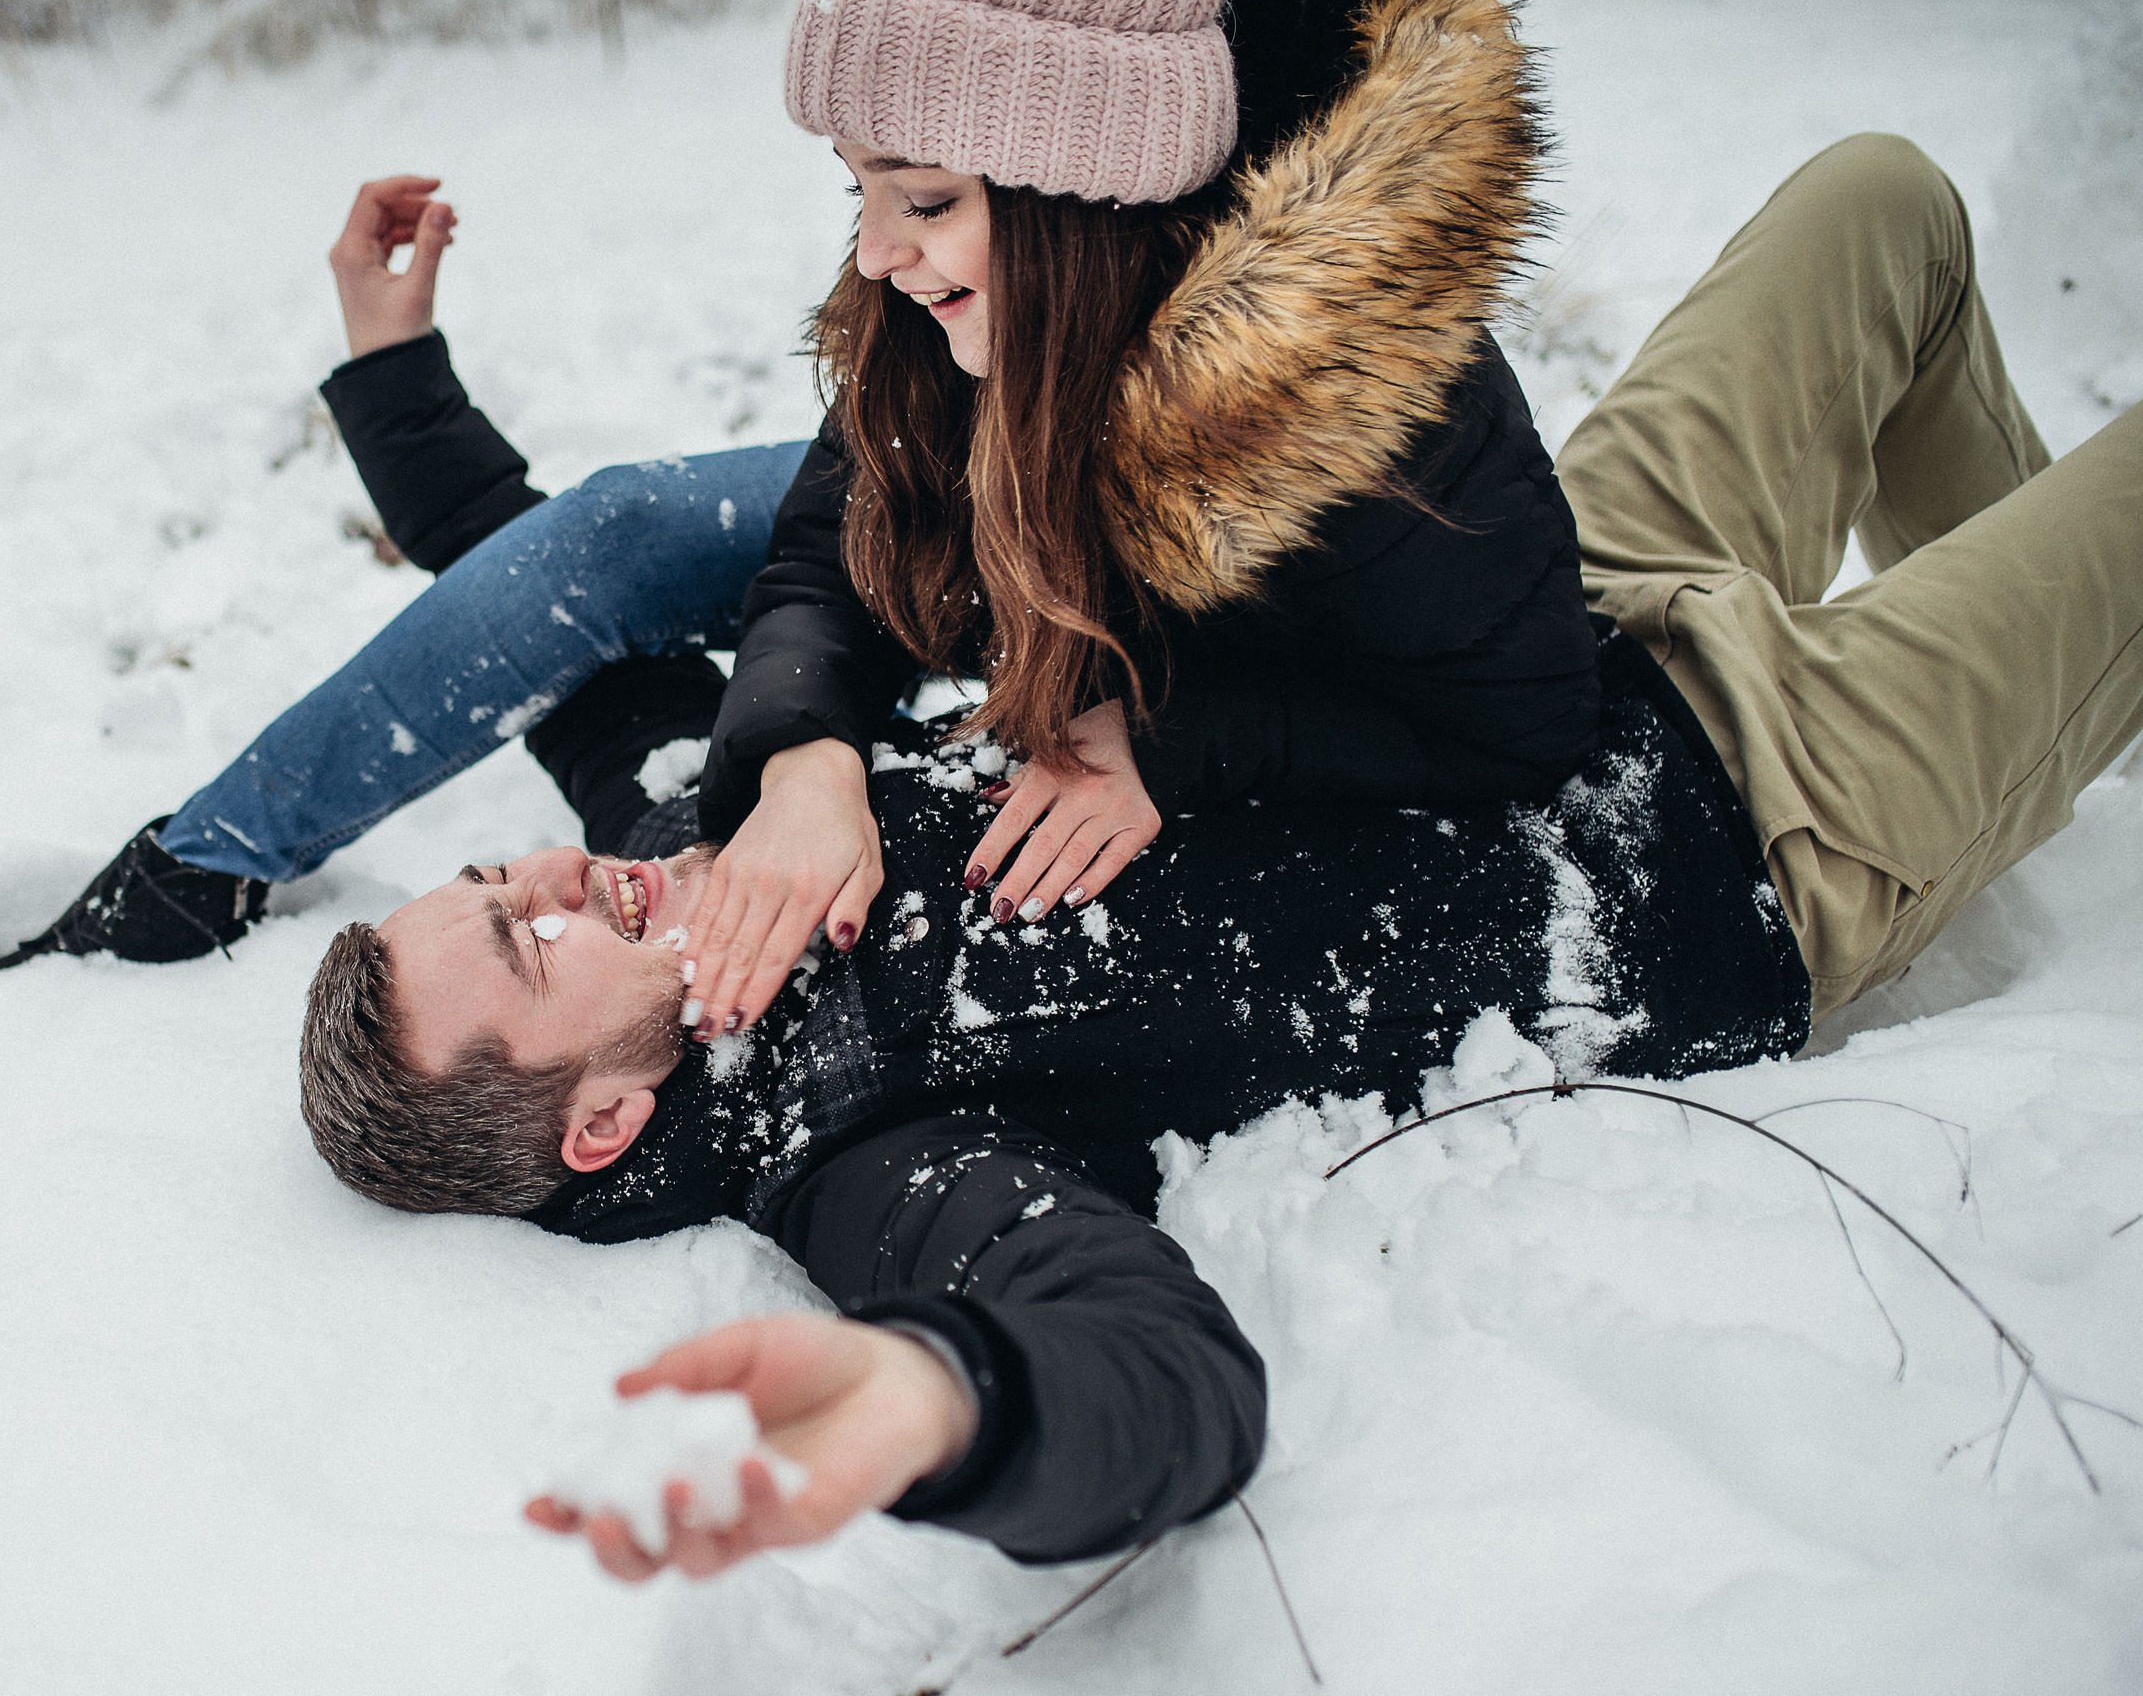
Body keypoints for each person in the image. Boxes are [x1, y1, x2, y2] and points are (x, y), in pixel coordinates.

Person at [300, 121, 2143, 1578]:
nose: (549, 886)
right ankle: (2051, 671)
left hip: (1509, 623)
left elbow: (582, 657)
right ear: (605, 1122)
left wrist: (394, 385)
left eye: (495, 882)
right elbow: (1144, 1365)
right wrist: (946, 1399)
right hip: (1735, 825)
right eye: (530, 949)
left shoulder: (703, 840)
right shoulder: (870, 1141)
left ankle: (2082, 690)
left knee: (1882, 206)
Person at [0, 0, 1598, 999]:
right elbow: (836, 547)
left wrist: (1169, 742)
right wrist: (806, 753)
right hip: (1042, 526)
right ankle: (190, 871)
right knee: (629, 530)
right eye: (863, 198)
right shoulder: (954, 332)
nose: (877, 256)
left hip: (1212, 630)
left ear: (1084, 204)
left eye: (925, 201)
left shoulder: (1384, 421)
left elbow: (1529, 732)